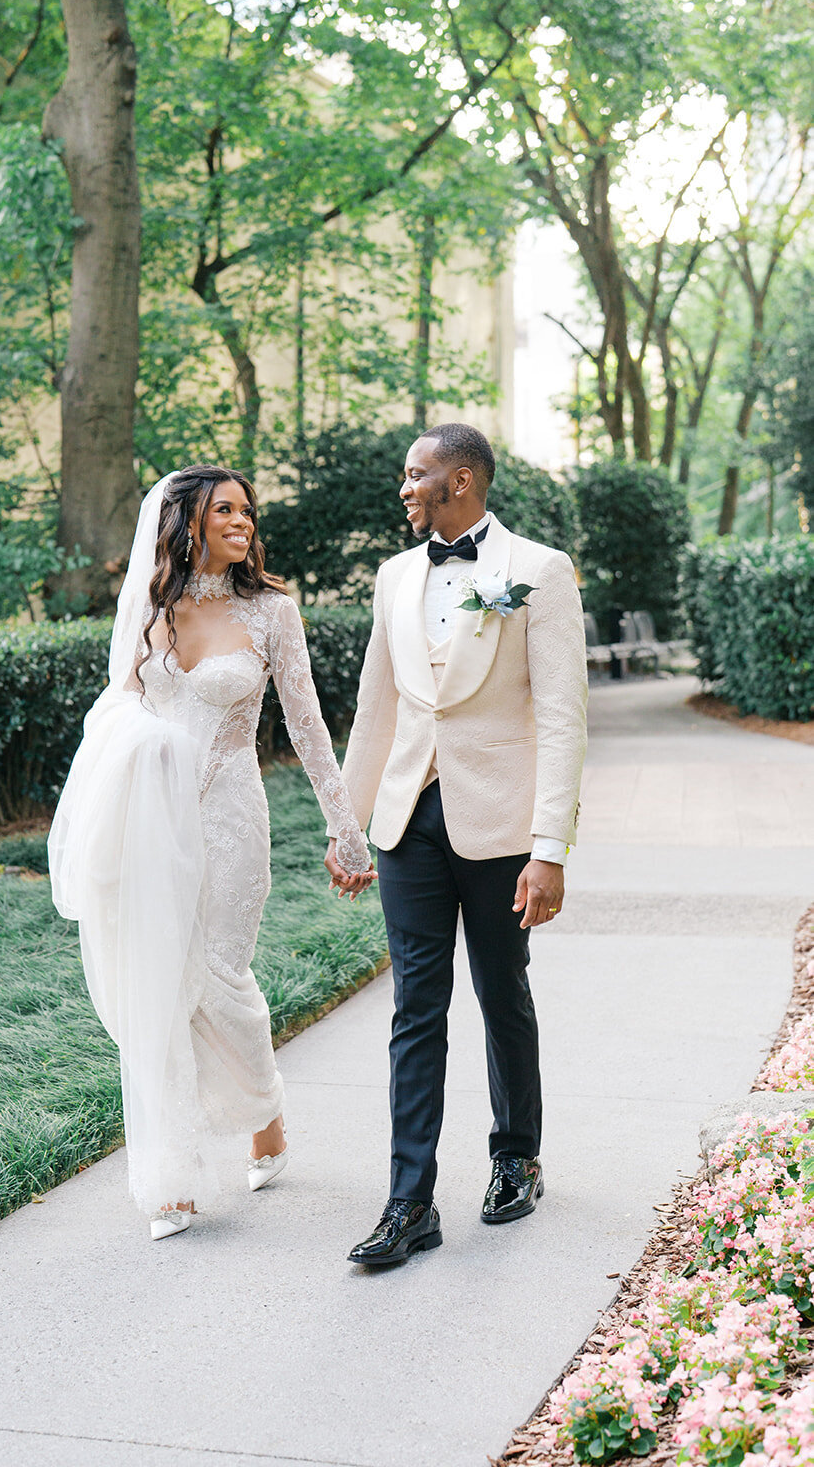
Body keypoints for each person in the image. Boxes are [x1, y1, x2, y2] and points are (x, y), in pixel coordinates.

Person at [49, 464, 375, 1241]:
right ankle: (173, 1179)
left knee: (220, 980)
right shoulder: (148, 611)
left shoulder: (271, 613)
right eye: (223, 509)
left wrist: (345, 826)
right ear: (184, 523)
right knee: (158, 986)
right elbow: (116, 711)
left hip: (231, 817)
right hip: (150, 823)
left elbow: (306, 726)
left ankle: (264, 1112)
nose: (242, 521)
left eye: (246, 510)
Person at [327, 423, 587, 1266]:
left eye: (417, 474)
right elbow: (377, 709)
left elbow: (560, 717)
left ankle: (515, 1156)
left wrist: (549, 847)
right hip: (408, 821)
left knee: (501, 989)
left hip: (501, 822)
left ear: (462, 480)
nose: (404, 488)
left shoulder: (538, 572)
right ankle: (410, 1202)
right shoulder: (394, 577)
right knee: (414, 1008)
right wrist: (349, 826)